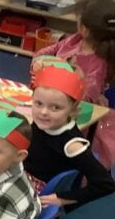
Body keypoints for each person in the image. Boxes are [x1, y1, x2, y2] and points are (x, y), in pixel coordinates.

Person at [32, 0, 115, 168]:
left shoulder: (98, 64)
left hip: (73, 116)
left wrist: (62, 78)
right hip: (51, 99)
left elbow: (83, 100)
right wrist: (41, 60)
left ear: (84, 28)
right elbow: (50, 50)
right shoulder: (76, 39)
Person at [25, 62, 115, 209]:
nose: (43, 112)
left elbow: (105, 184)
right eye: (38, 103)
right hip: (20, 177)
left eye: (55, 107)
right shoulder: (44, 123)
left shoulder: (72, 145)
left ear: (72, 108)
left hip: (35, 195)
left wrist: (61, 199)